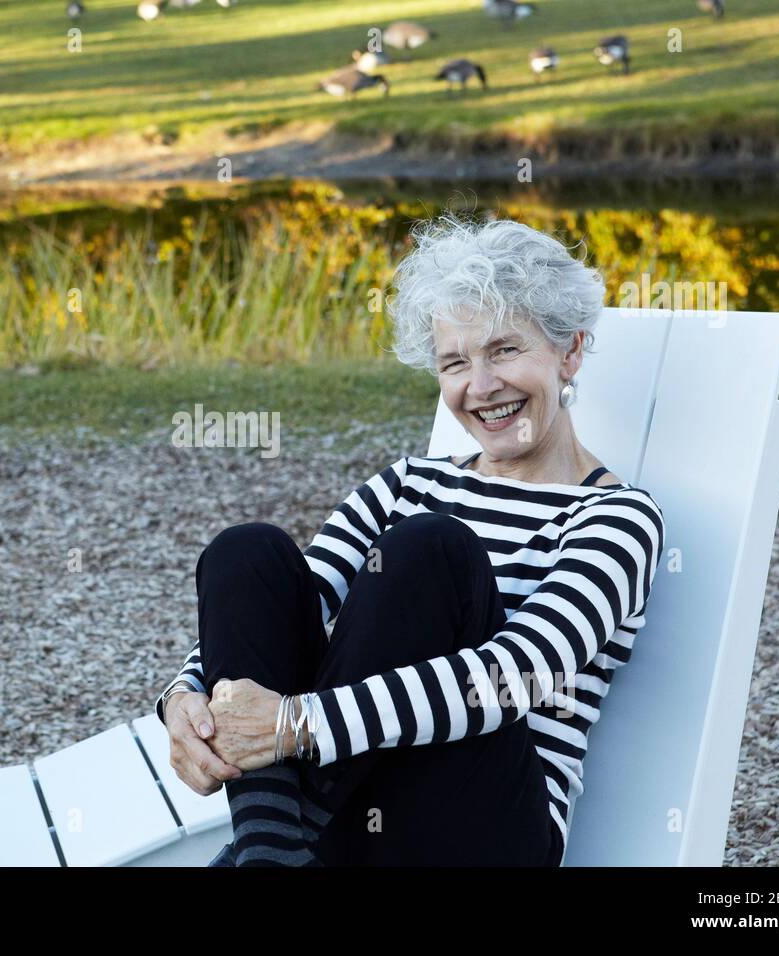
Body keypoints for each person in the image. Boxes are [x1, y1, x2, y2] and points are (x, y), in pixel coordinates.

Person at [154, 214, 666, 866]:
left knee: (429, 551)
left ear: (569, 351)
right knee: (246, 554)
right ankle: (269, 849)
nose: (481, 386)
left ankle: (273, 844)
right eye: (456, 361)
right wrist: (182, 701)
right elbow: (281, 612)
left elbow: (512, 678)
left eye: (505, 350)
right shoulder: (405, 482)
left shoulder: (616, 520)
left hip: (484, 829)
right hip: (354, 803)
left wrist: (293, 727)